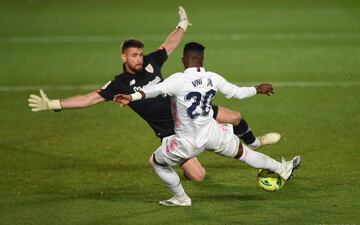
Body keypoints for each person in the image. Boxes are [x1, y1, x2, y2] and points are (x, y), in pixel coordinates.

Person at [27, 6, 280, 182]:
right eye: (134, 55)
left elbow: (169, 45)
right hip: (173, 133)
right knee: (199, 176)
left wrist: (182, 25)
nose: (139, 58)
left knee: (235, 116)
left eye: (140, 53)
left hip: (191, 113)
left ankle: (255, 142)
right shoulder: (119, 84)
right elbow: (87, 99)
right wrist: (54, 103)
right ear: (124, 57)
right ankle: (185, 173)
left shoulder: (151, 63)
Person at [114, 42, 301, 206]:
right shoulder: (213, 77)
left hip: (187, 142)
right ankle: (281, 168)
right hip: (212, 133)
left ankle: (181, 198)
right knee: (243, 153)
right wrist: (257, 89)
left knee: (156, 162)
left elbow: (153, 90)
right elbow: (236, 93)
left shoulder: (178, 79)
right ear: (201, 60)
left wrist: (131, 96)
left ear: (183, 60)